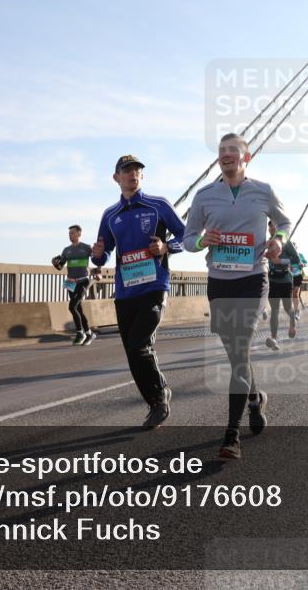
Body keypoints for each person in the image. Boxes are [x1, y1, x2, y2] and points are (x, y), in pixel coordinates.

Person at [185, 133, 291, 460]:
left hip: (252, 280)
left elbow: (284, 222)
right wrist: (204, 241)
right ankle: (256, 398)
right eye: (222, 151)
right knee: (236, 355)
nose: (227, 155)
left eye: (234, 151)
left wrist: (278, 240)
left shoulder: (263, 191)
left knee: (241, 345)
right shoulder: (204, 196)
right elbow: (188, 239)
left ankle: (232, 435)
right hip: (219, 283)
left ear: (247, 158)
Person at [91, 155, 185, 430]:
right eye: (126, 170)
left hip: (154, 287)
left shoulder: (158, 205)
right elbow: (102, 254)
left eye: (137, 171)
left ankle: (159, 398)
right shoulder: (110, 215)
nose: (133, 174)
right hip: (124, 292)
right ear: (116, 177)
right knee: (132, 352)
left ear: (142, 177)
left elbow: (185, 235)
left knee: (139, 344)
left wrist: (167, 248)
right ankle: (156, 397)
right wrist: (98, 255)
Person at [52, 225, 97, 345]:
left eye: (72, 233)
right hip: (70, 282)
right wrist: (55, 263)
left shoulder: (86, 248)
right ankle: (89, 333)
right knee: (78, 309)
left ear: (78, 234)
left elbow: (97, 260)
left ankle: (80, 333)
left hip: (83, 280)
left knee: (72, 307)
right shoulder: (66, 250)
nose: (70, 235)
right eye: (69, 234)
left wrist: (99, 273)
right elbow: (60, 267)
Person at [266, 220, 301, 347]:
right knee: (274, 310)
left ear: (278, 228)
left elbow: (296, 259)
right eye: (269, 229)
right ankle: (274, 338)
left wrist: (281, 261)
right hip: (273, 279)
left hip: (286, 279)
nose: (271, 231)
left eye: (273, 228)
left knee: (287, 308)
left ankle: (292, 324)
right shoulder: (268, 242)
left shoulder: (286, 242)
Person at [291, 251, 307, 319]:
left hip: (298, 276)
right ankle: (296, 309)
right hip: (289, 276)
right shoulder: (287, 255)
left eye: (294, 246)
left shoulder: (300, 255)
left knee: (296, 293)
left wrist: (303, 264)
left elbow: (305, 263)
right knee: (293, 295)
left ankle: (296, 312)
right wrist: (288, 267)